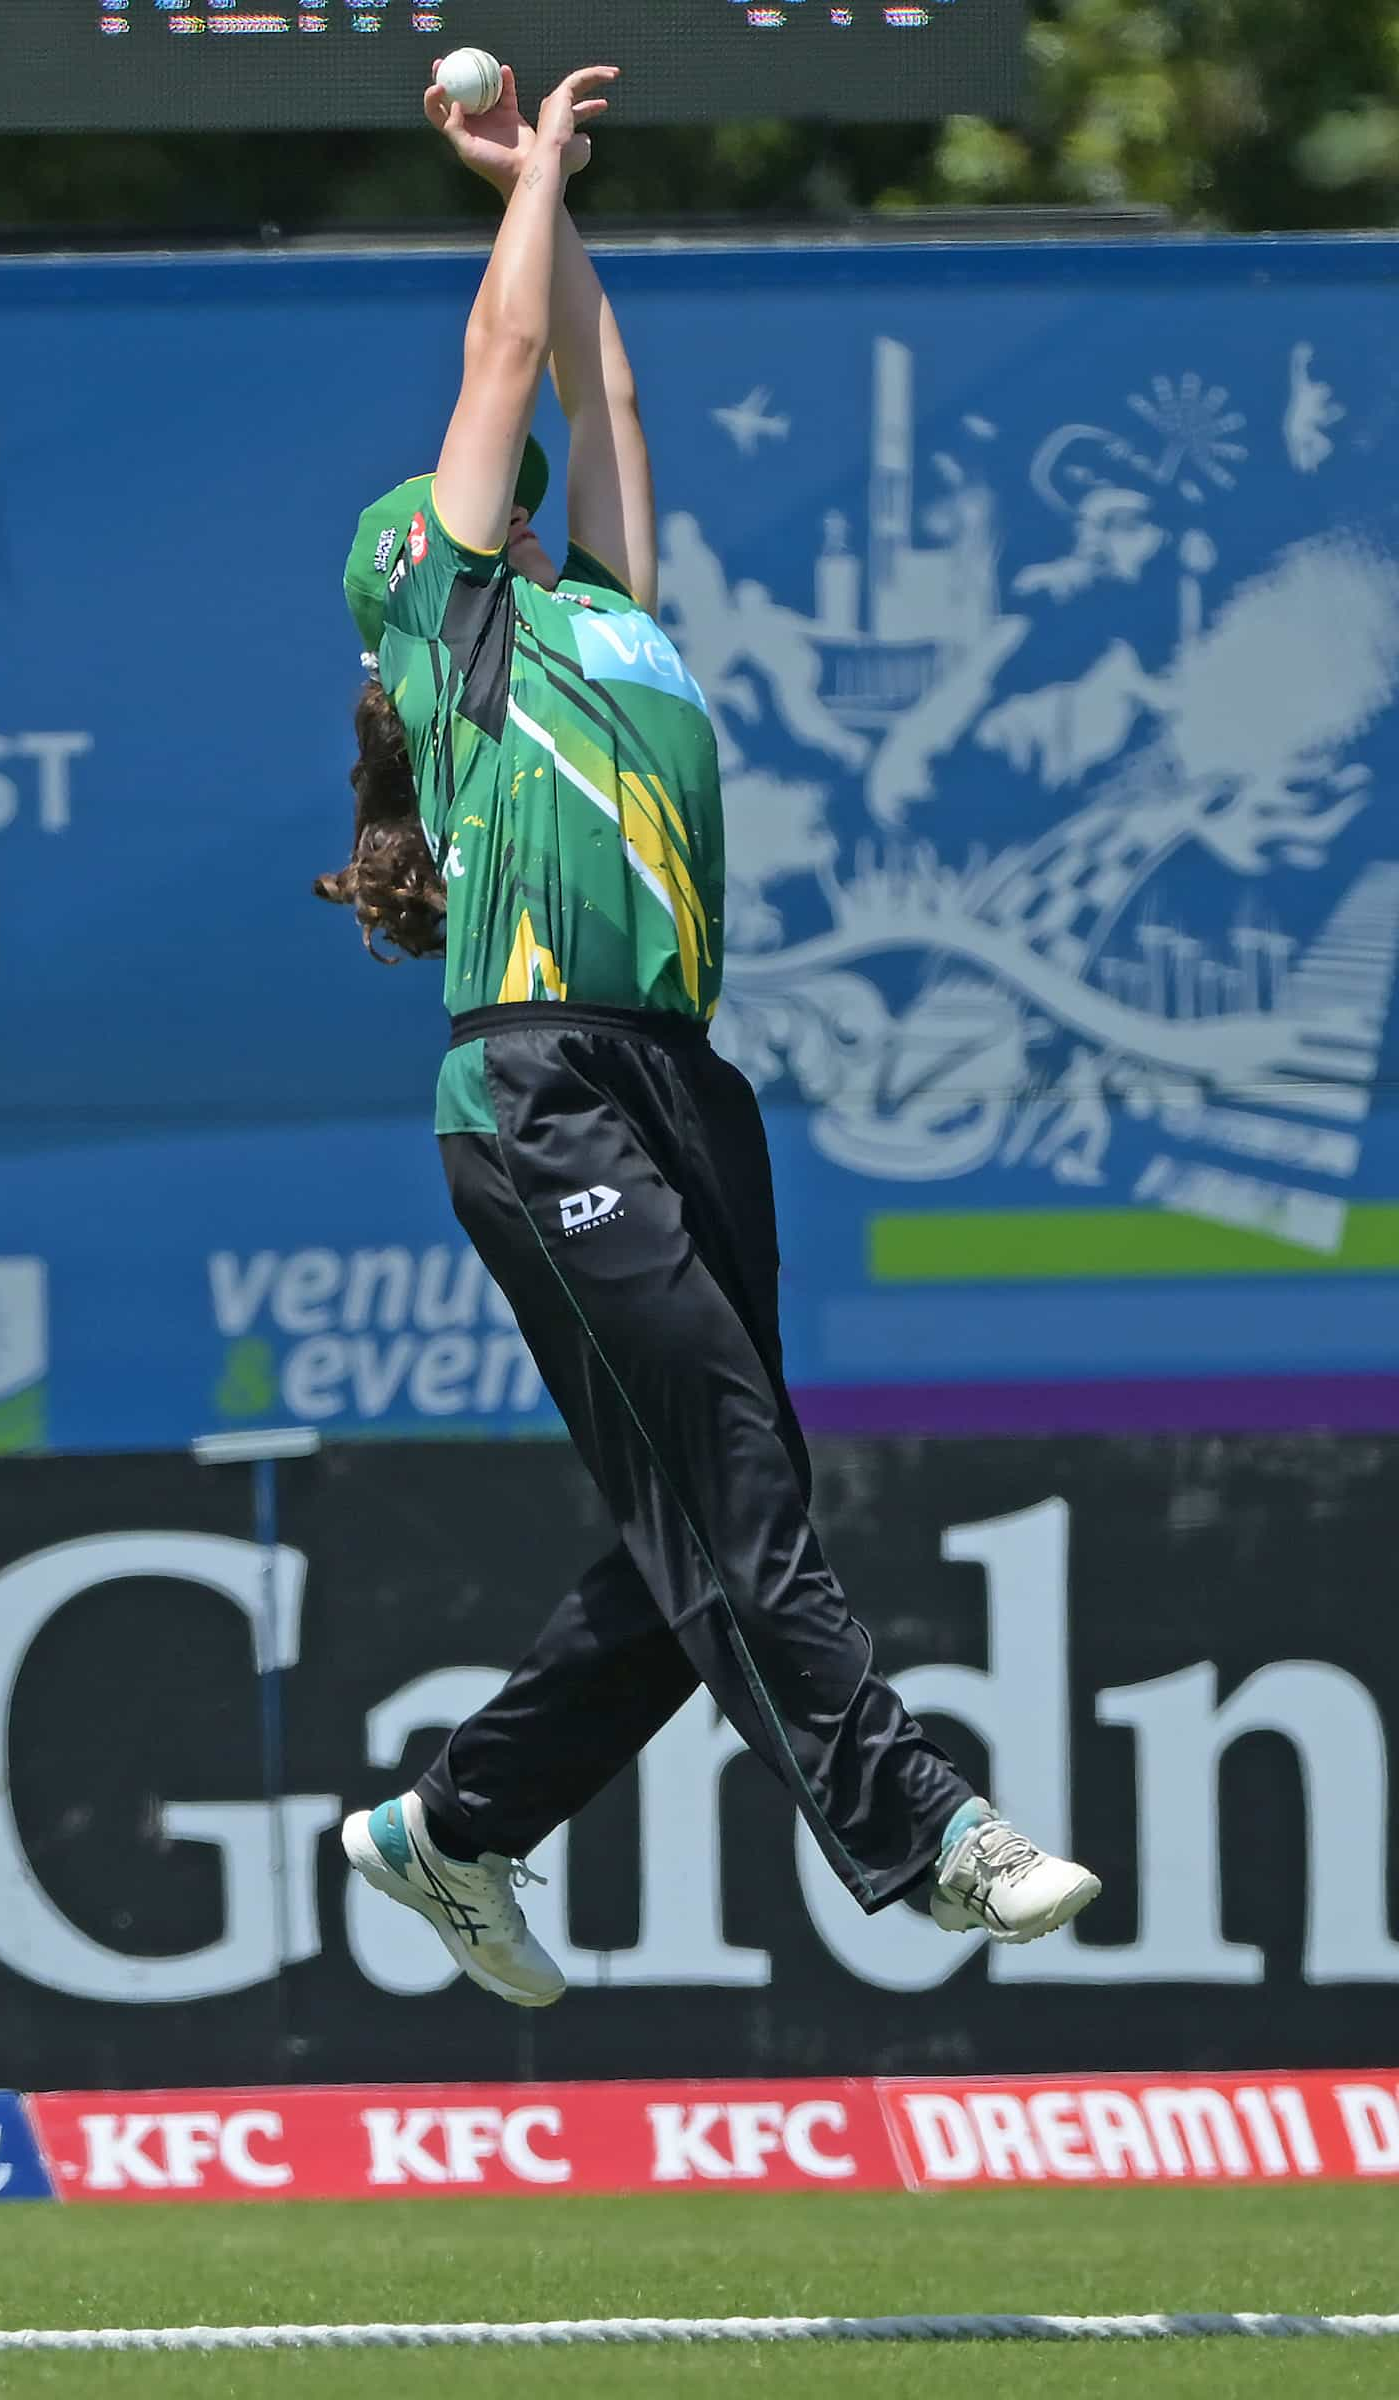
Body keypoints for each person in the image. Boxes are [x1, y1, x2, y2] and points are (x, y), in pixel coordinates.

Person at [325, 61, 1101, 2007]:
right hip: (536, 1077)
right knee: (736, 1484)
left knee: (716, 1525)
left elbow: (601, 386)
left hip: (678, 1082)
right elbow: (510, 349)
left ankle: (459, 1828)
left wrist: (538, 188)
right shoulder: (463, 624)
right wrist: (536, 185)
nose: (484, 486)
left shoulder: (617, 616)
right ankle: (919, 1826)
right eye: (458, 500)